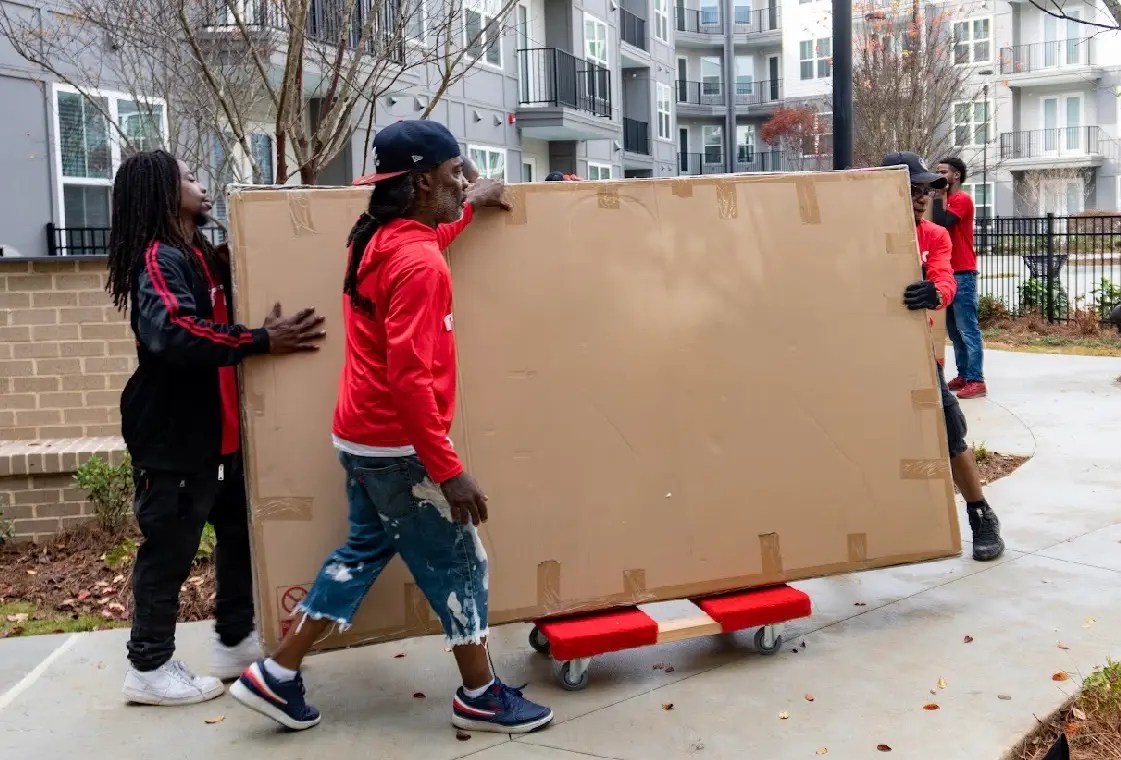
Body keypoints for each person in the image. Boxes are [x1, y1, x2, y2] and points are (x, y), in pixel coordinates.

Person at [229, 120, 554, 734]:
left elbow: (431, 238)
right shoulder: (419, 265)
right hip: (399, 449)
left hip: (359, 435)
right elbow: (410, 383)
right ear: (423, 181)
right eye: (457, 172)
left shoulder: (378, 237)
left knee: (363, 551)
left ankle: (277, 676)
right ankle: (480, 695)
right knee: (461, 563)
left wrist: (472, 203)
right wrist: (448, 471)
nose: (466, 180)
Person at [107, 150, 327, 706]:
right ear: (162, 193)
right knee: (170, 551)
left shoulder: (198, 254)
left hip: (222, 432)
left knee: (238, 534)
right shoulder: (158, 257)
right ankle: (148, 667)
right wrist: (261, 340)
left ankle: (234, 640)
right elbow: (175, 334)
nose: (201, 186)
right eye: (187, 178)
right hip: (174, 437)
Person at [882, 152, 1005, 563]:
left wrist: (934, 293)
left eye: (924, 191)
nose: (920, 198)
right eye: (910, 190)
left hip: (919, 358)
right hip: (866, 363)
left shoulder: (934, 235)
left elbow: (946, 280)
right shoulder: (854, 238)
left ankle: (981, 515)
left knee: (950, 435)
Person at [934, 157, 986, 399]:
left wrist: (940, 195)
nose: (939, 175)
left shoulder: (961, 199)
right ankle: (964, 374)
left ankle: (977, 380)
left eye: (943, 172)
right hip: (948, 272)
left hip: (963, 272)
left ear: (956, 176)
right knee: (954, 332)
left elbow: (944, 223)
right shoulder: (944, 199)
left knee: (968, 330)